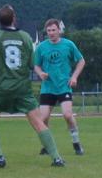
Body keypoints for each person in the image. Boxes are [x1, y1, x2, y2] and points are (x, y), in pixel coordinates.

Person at [0, 4, 65, 168]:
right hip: (22, 88)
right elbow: (32, 64)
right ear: (14, 18)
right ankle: (57, 158)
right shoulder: (25, 37)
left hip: (1, 88)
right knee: (38, 122)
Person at [33, 18, 86, 155]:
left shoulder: (68, 44)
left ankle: (76, 143)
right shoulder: (41, 47)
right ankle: (47, 146)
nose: (51, 33)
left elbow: (81, 61)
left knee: (67, 115)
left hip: (64, 86)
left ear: (59, 30)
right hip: (48, 88)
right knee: (43, 119)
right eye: (49, 30)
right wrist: (40, 73)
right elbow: (36, 65)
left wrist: (74, 77)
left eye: (53, 30)